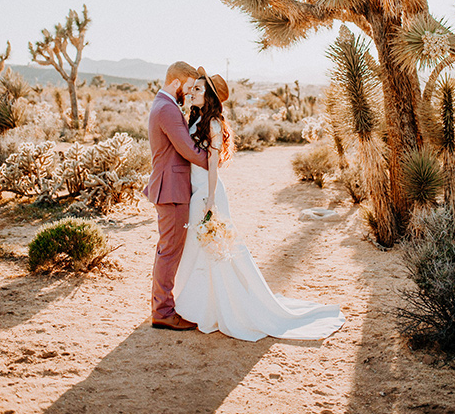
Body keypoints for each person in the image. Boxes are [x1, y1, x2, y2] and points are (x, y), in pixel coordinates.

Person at [174, 67, 346, 342]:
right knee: (199, 249)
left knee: (216, 250)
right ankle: (200, 307)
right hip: (199, 192)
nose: (192, 92)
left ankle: (220, 310)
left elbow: (213, 166)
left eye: (197, 89)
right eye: (192, 88)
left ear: (209, 97)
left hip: (208, 193)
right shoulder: (194, 119)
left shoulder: (214, 124)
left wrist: (209, 199)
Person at [143, 61, 208, 331]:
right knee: (169, 251)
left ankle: (163, 307)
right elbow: (188, 149)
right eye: (189, 86)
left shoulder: (164, 105)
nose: (190, 91)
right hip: (171, 190)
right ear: (176, 82)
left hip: (171, 187)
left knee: (168, 249)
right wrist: (214, 160)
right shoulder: (167, 109)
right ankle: (163, 312)